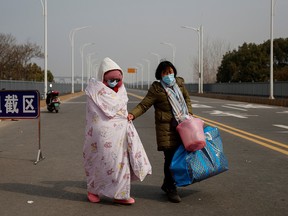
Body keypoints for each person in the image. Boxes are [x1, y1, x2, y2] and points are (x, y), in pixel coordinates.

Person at [83, 57, 152, 205]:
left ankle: (120, 194)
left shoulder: (122, 91)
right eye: (110, 79)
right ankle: (93, 190)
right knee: (98, 161)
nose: (114, 82)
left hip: (119, 134)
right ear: (103, 78)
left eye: (117, 79)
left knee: (120, 163)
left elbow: (122, 112)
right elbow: (93, 114)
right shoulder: (94, 91)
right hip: (99, 137)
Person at [127, 60, 193, 203]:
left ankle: (167, 184)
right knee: (170, 158)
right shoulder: (156, 89)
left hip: (184, 126)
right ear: (160, 75)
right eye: (165, 73)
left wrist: (190, 113)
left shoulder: (180, 84)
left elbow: (187, 99)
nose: (169, 75)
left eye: (170, 72)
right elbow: (144, 104)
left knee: (180, 156)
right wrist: (132, 114)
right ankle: (171, 188)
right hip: (167, 129)